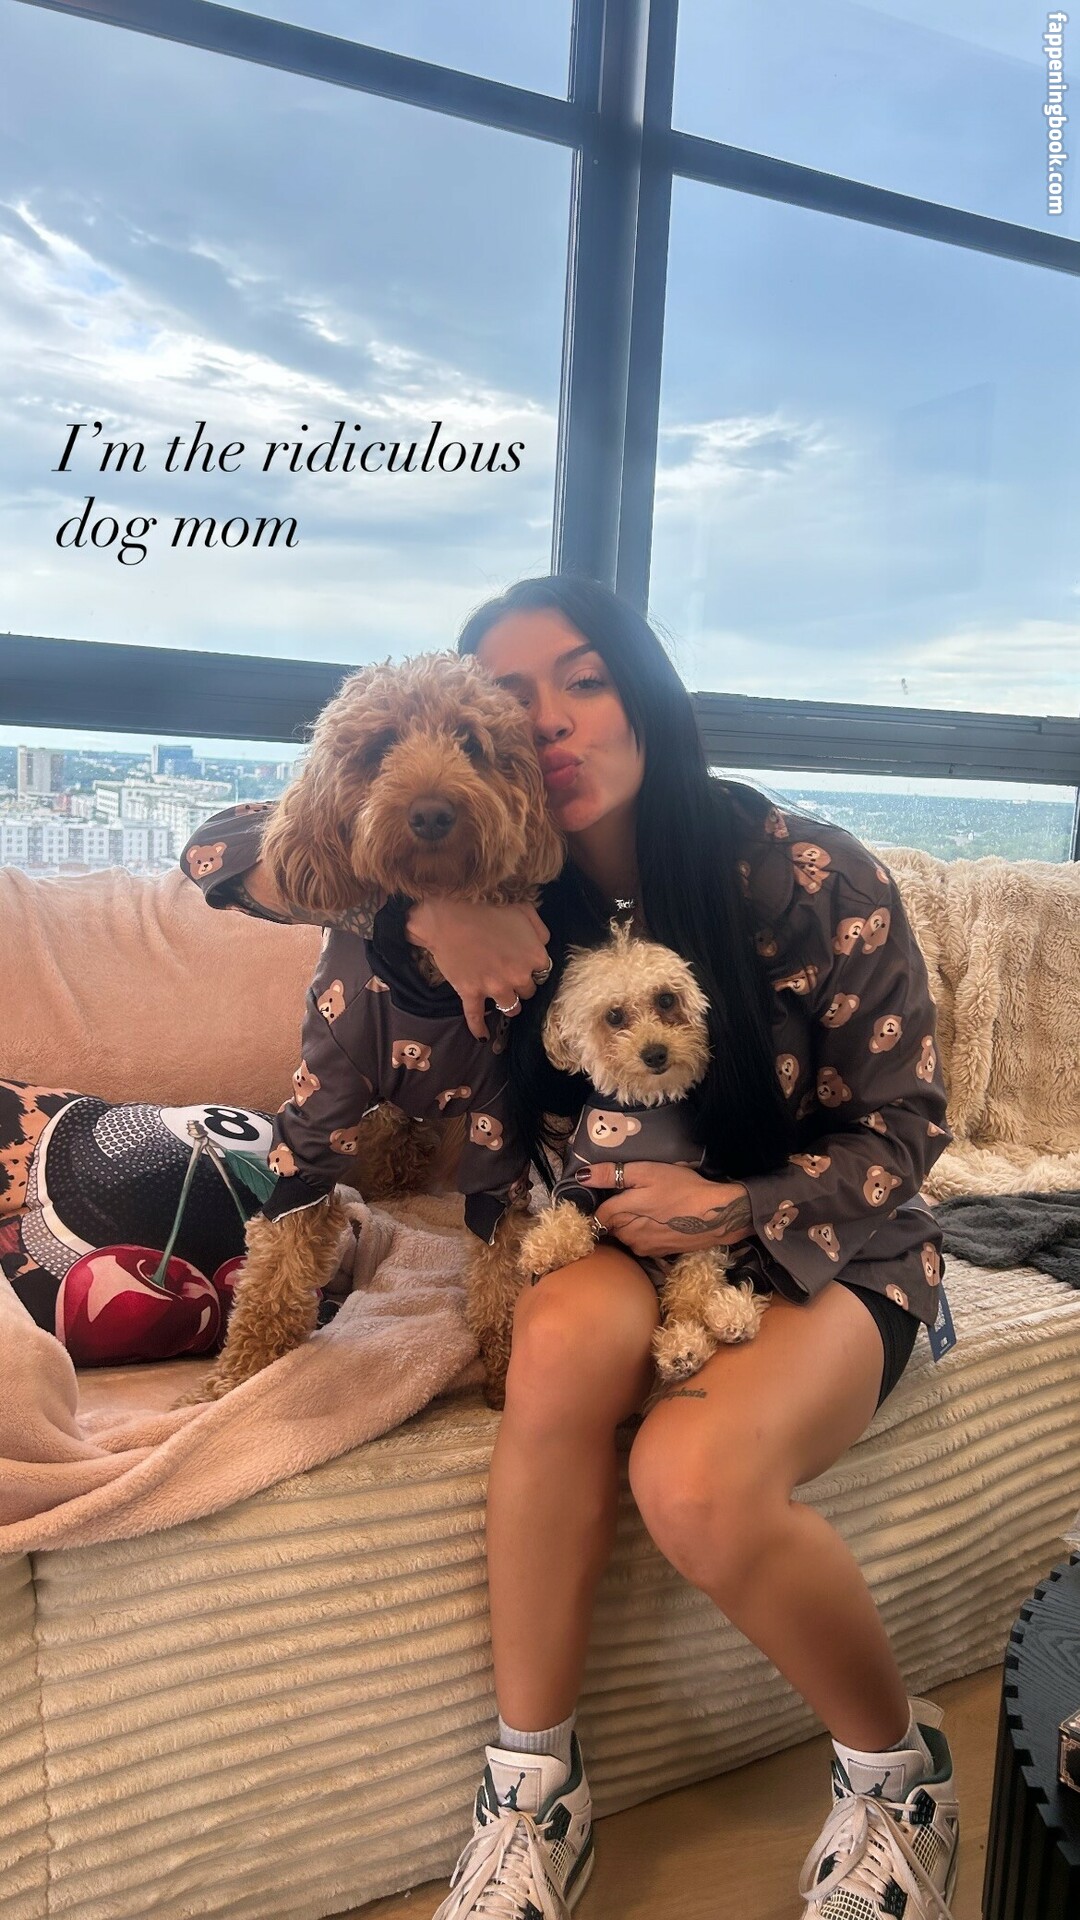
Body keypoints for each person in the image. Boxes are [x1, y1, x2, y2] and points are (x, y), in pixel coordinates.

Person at [180, 574, 959, 1920]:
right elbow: (222, 848)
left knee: (692, 1481)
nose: (549, 719)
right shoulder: (505, 876)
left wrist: (730, 1207)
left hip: (822, 1240)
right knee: (551, 1362)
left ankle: (902, 1777)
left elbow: (906, 1128)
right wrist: (427, 911)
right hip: (594, 1223)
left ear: (645, 695)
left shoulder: (807, 874)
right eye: (513, 697)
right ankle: (533, 1790)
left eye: (584, 680)